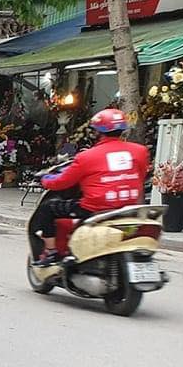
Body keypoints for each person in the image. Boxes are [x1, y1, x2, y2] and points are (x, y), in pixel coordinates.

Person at [28, 107, 149, 264]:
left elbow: (62, 182)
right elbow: (141, 175)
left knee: (47, 208)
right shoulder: (140, 151)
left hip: (95, 208)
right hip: (129, 206)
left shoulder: (86, 156)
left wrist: (45, 180)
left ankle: (51, 252)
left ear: (97, 132)